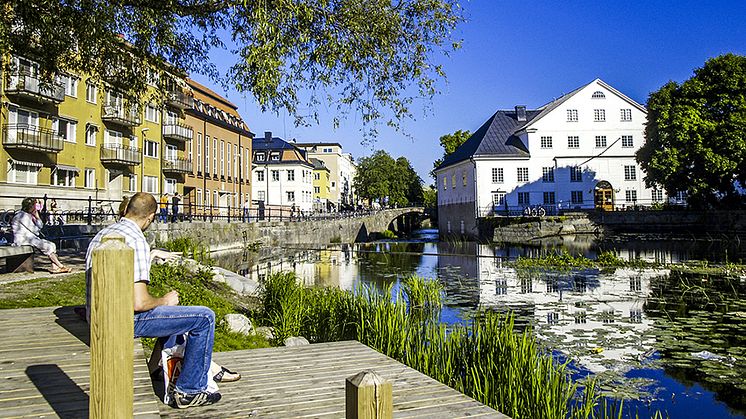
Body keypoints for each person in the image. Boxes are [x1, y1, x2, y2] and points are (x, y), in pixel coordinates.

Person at [85, 192, 227, 408]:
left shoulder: (104, 233)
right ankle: (190, 390)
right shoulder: (136, 240)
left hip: (96, 316)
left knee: (176, 316)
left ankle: (157, 368)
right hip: (120, 322)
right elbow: (139, 303)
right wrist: (165, 300)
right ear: (150, 217)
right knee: (204, 317)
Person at [12, 197, 71, 274]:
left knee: (52, 245)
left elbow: (40, 226)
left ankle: (55, 267)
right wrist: (37, 228)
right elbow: (34, 231)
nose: (36, 208)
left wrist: (37, 217)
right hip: (23, 239)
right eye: (34, 206)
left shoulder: (29, 215)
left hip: (31, 238)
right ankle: (61, 266)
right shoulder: (21, 216)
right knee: (48, 247)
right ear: (30, 206)